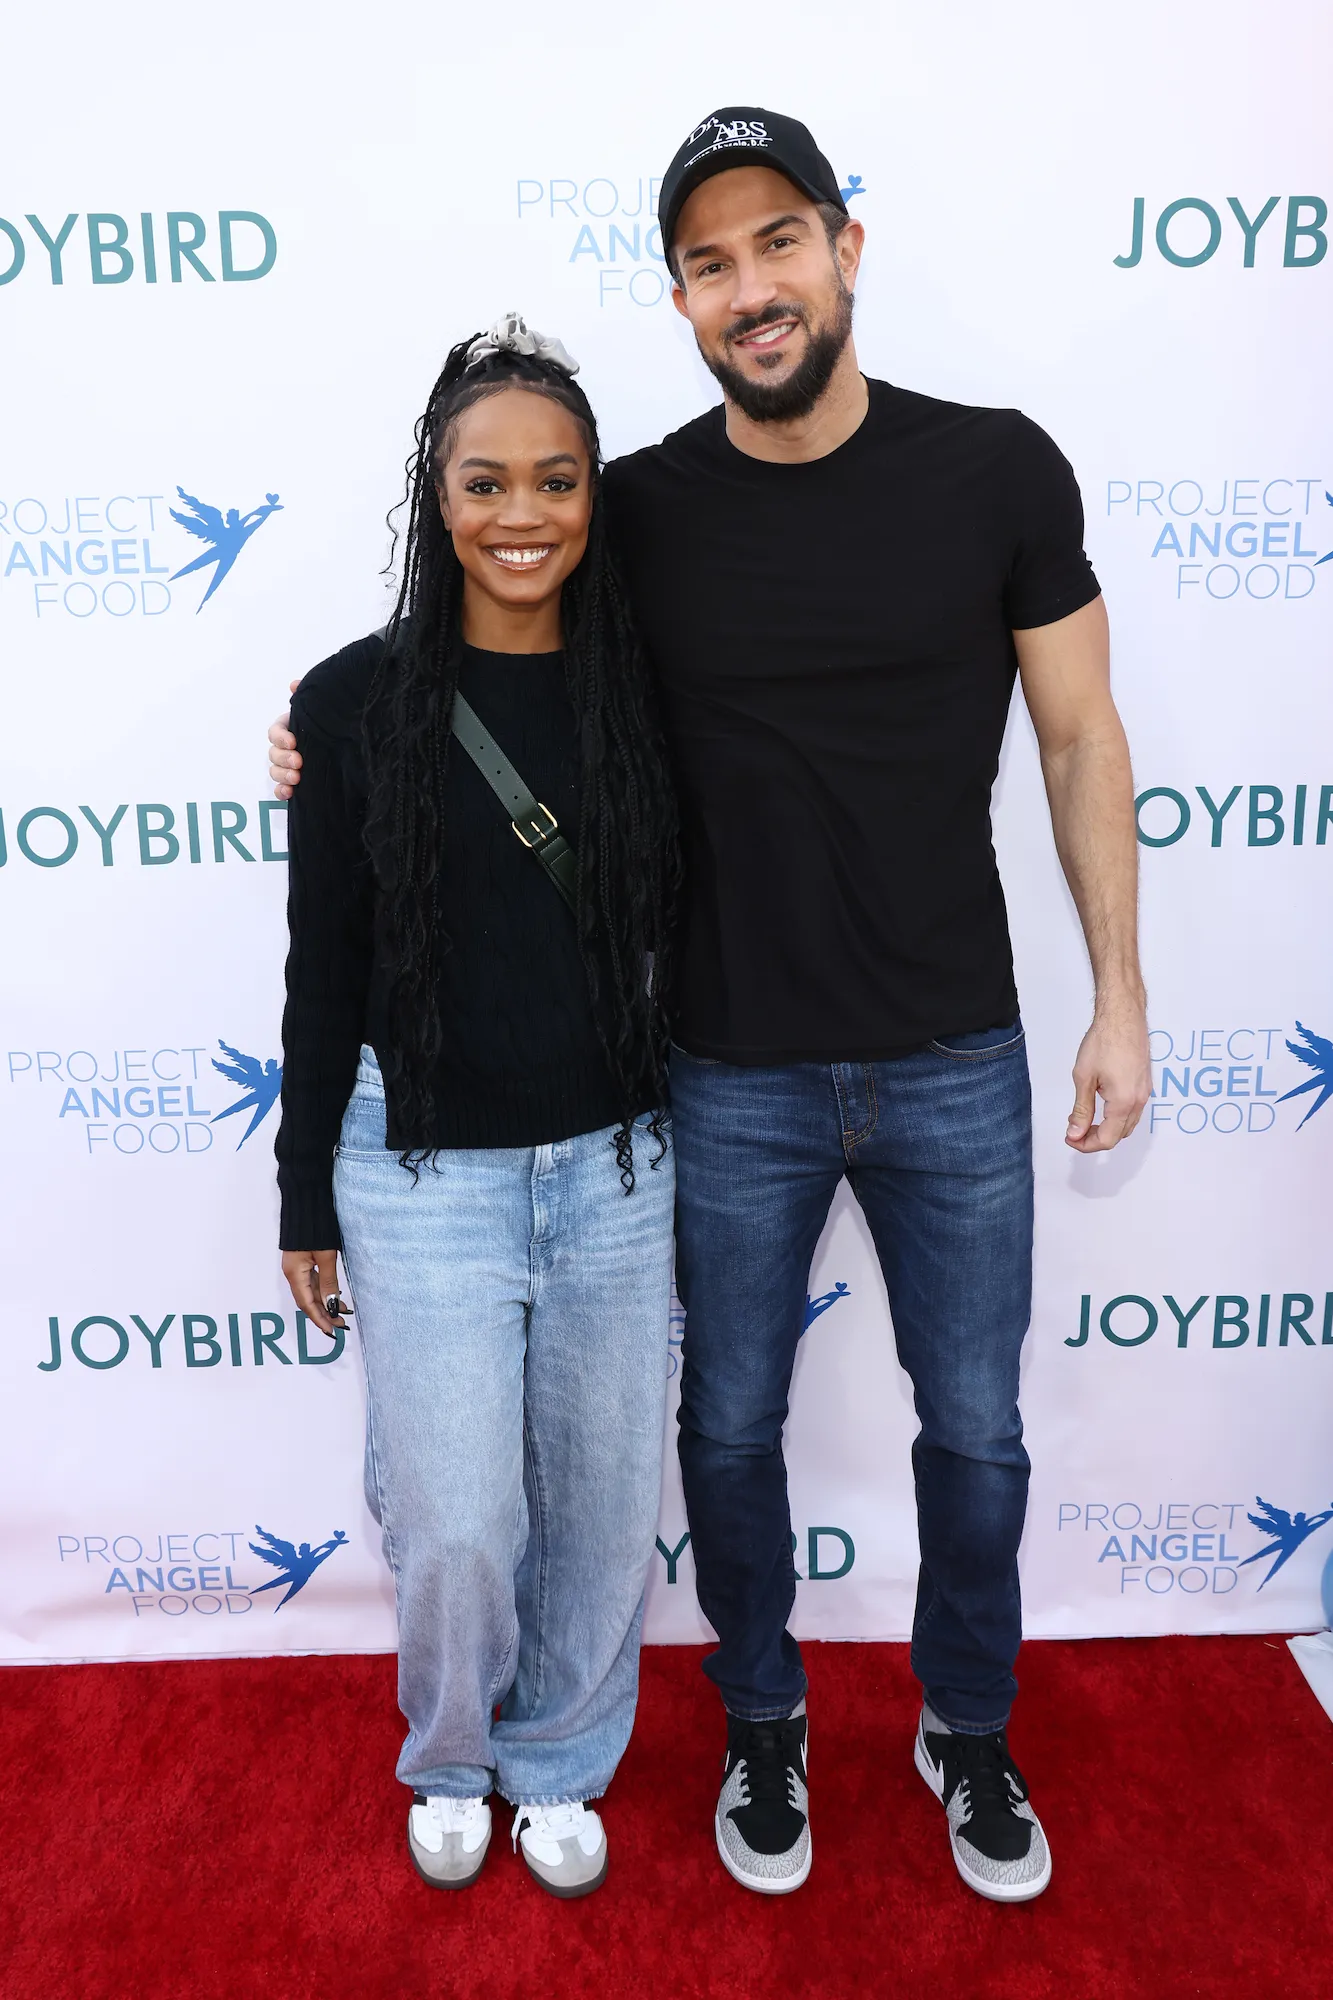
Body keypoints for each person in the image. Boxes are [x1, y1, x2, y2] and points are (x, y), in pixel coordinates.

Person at [270, 107, 1151, 1904]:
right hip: (721, 1077)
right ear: (678, 297)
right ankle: (765, 1723)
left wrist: (1121, 997)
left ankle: (965, 1732)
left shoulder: (999, 471)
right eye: (707, 262)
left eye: (776, 244)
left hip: (955, 1058)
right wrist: (328, 737)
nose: (750, 287)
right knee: (724, 1437)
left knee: (974, 1431)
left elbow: (1079, 736)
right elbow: (480, 637)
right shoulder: (645, 505)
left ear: (842, 245)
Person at [275, 318, 679, 1899]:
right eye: (486, 480)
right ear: (434, 498)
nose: (525, 513)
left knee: (595, 1503)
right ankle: (450, 1752)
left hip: (617, 1165)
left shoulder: (656, 693)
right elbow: (324, 970)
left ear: (594, 496)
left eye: (558, 479)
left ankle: (562, 1758)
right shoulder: (354, 698)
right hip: (418, 1167)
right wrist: (305, 1188)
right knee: (453, 1513)